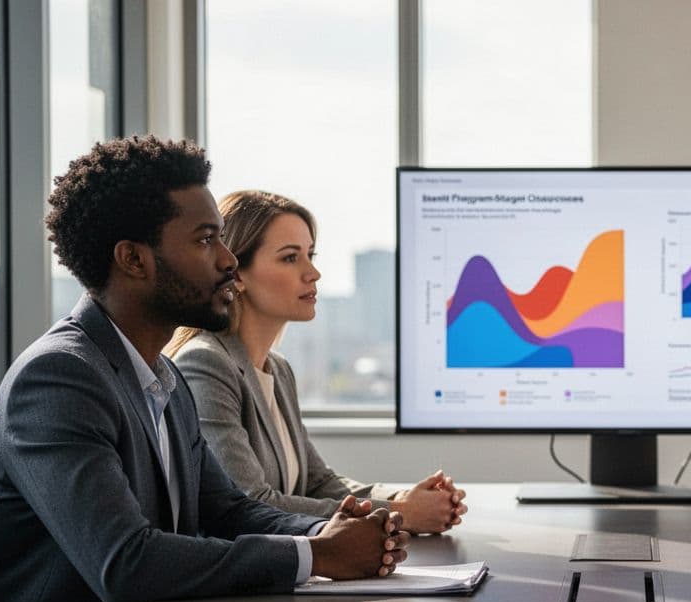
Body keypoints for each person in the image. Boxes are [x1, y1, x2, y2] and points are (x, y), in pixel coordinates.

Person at [0, 137, 410, 602]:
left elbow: (227, 511)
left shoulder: (160, 376)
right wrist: (315, 555)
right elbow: (125, 563)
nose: (227, 261)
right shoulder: (60, 378)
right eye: (205, 240)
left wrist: (333, 529)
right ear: (134, 259)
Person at [165, 190, 467, 534]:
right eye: (291, 258)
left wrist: (403, 497)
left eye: (310, 254)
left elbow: (318, 482)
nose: (314, 273)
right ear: (237, 274)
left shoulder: (277, 369)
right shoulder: (206, 364)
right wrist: (400, 513)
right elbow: (250, 502)